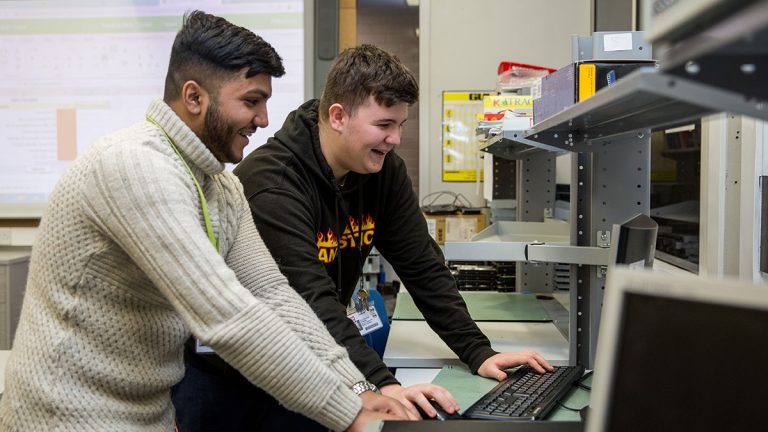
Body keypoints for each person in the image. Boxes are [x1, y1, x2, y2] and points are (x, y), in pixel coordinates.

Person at [0, 13, 409, 432]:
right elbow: (226, 316)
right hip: (64, 417)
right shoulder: (134, 167)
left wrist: (358, 387)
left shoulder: (220, 186)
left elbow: (273, 295)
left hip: (147, 414)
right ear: (194, 98)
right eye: (251, 101)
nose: (264, 119)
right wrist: (350, 414)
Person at [173, 44, 554, 430]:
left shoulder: (382, 172)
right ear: (338, 116)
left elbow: (421, 265)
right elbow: (311, 301)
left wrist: (477, 351)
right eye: (384, 125)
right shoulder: (273, 185)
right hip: (226, 375)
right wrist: (381, 384)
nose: (394, 139)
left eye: (400, 125)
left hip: (305, 362)